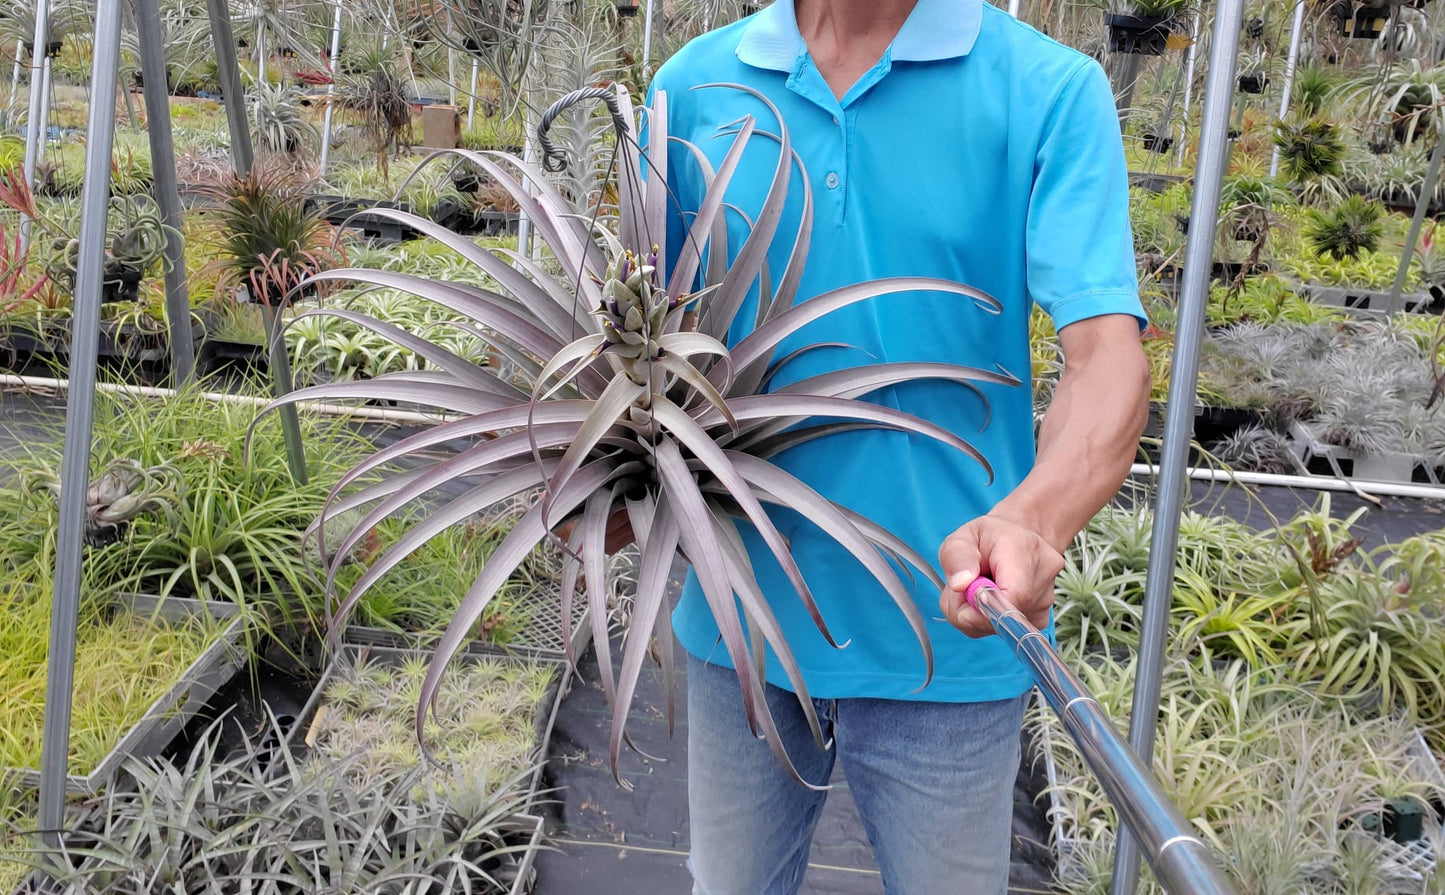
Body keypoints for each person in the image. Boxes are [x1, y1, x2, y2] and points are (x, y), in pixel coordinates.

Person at [647, 0, 1152, 891]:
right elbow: (646, 344)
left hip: (948, 624)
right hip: (744, 630)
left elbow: (1105, 354)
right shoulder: (691, 86)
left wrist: (1033, 517)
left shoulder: (1044, 91)